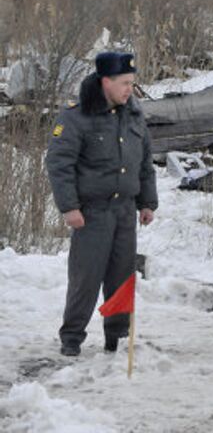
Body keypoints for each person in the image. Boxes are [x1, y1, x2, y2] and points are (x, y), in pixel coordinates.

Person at [46, 52, 158, 357]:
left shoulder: (133, 114)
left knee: (122, 278)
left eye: (132, 83)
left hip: (125, 211)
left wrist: (147, 202)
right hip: (91, 213)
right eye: (124, 83)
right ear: (105, 82)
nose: (129, 90)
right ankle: (72, 338)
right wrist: (69, 207)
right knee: (86, 278)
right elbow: (59, 163)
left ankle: (117, 336)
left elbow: (144, 162)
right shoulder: (76, 117)